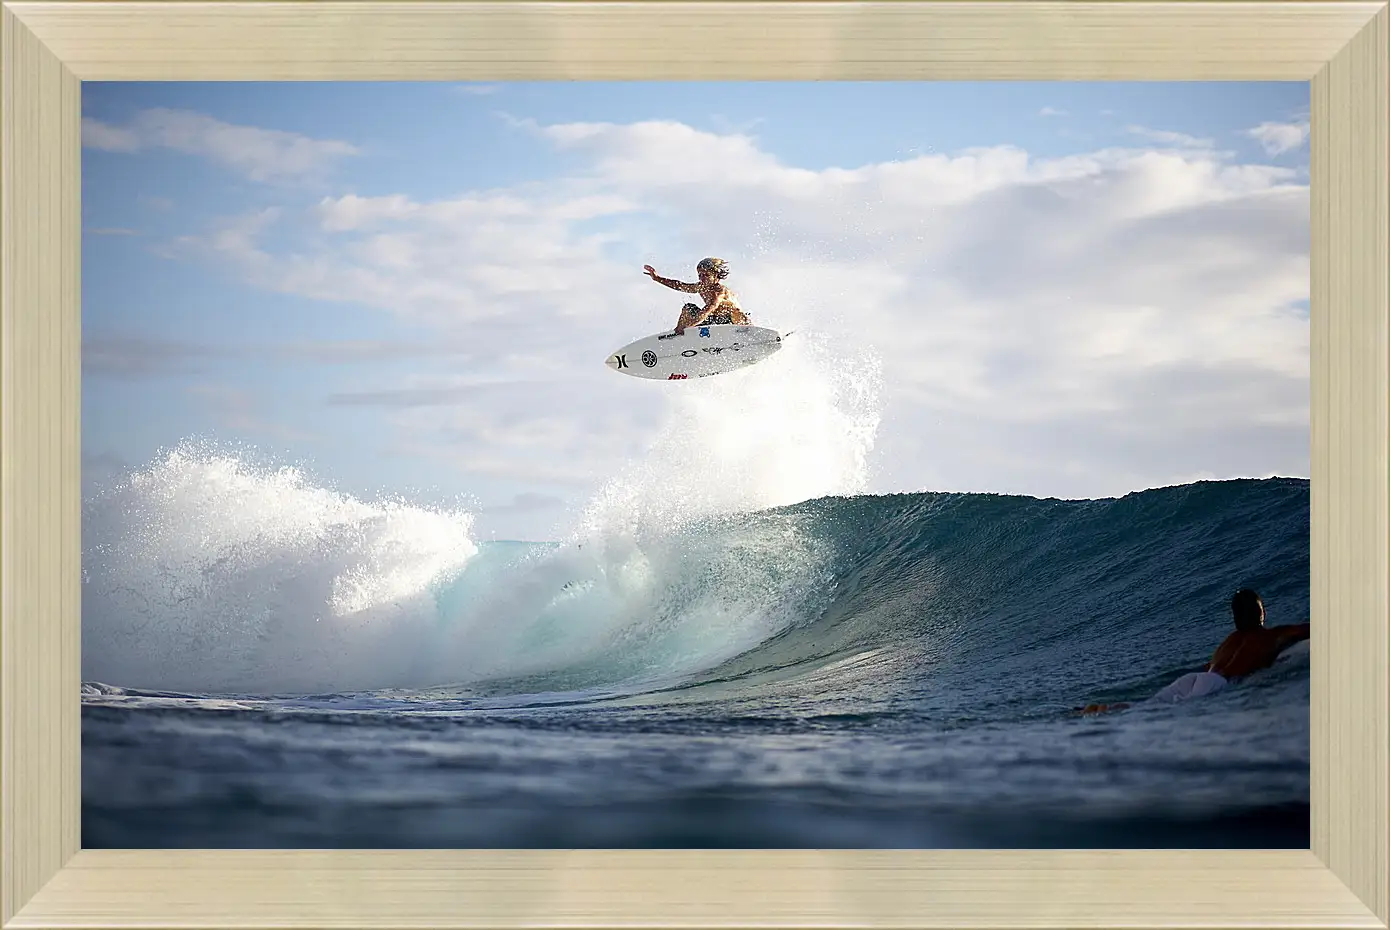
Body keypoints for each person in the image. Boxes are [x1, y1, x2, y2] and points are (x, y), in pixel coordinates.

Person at [1078, 589, 1309, 716]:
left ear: (1236, 617)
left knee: (1151, 704)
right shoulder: (1270, 635)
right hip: (1215, 683)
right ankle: (1104, 713)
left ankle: (1101, 709)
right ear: (1261, 613)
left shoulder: (1229, 641)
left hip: (1194, 678)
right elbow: (1306, 629)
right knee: (1159, 711)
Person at [643, 257, 751, 336]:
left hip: (732, 323)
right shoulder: (701, 287)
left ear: (716, 276)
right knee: (688, 308)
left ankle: (749, 332)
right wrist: (657, 278)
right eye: (700, 275)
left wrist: (690, 325)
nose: (702, 278)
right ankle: (679, 334)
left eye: (706, 275)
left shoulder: (719, 291)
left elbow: (708, 309)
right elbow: (679, 285)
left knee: (738, 314)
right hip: (715, 323)